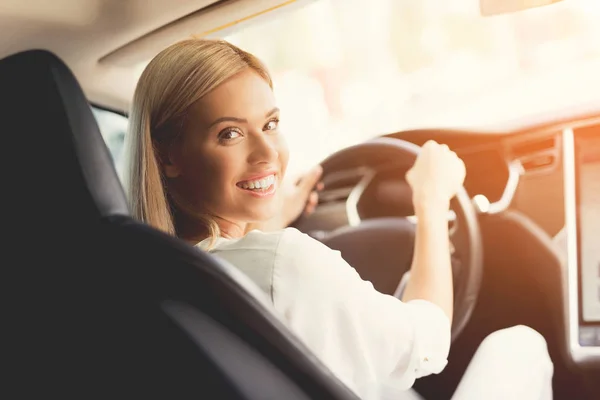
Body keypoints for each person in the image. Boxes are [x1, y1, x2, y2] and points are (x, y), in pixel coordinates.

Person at [124, 39, 553, 399]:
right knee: (519, 344)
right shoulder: (287, 263)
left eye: (271, 124)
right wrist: (431, 202)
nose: (267, 153)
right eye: (229, 134)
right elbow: (428, 343)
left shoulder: (146, 273)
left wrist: (273, 218)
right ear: (167, 155)